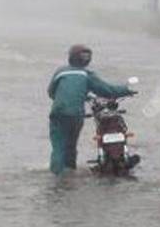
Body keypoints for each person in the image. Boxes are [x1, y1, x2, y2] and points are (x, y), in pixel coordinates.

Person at [47, 44, 135, 175]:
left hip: (58, 113)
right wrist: (126, 90)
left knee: (58, 146)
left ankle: (57, 177)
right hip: (76, 114)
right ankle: (69, 172)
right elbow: (106, 90)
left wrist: (69, 98)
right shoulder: (86, 74)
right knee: (71, 145)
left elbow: (51, 92)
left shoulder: (60, 72)